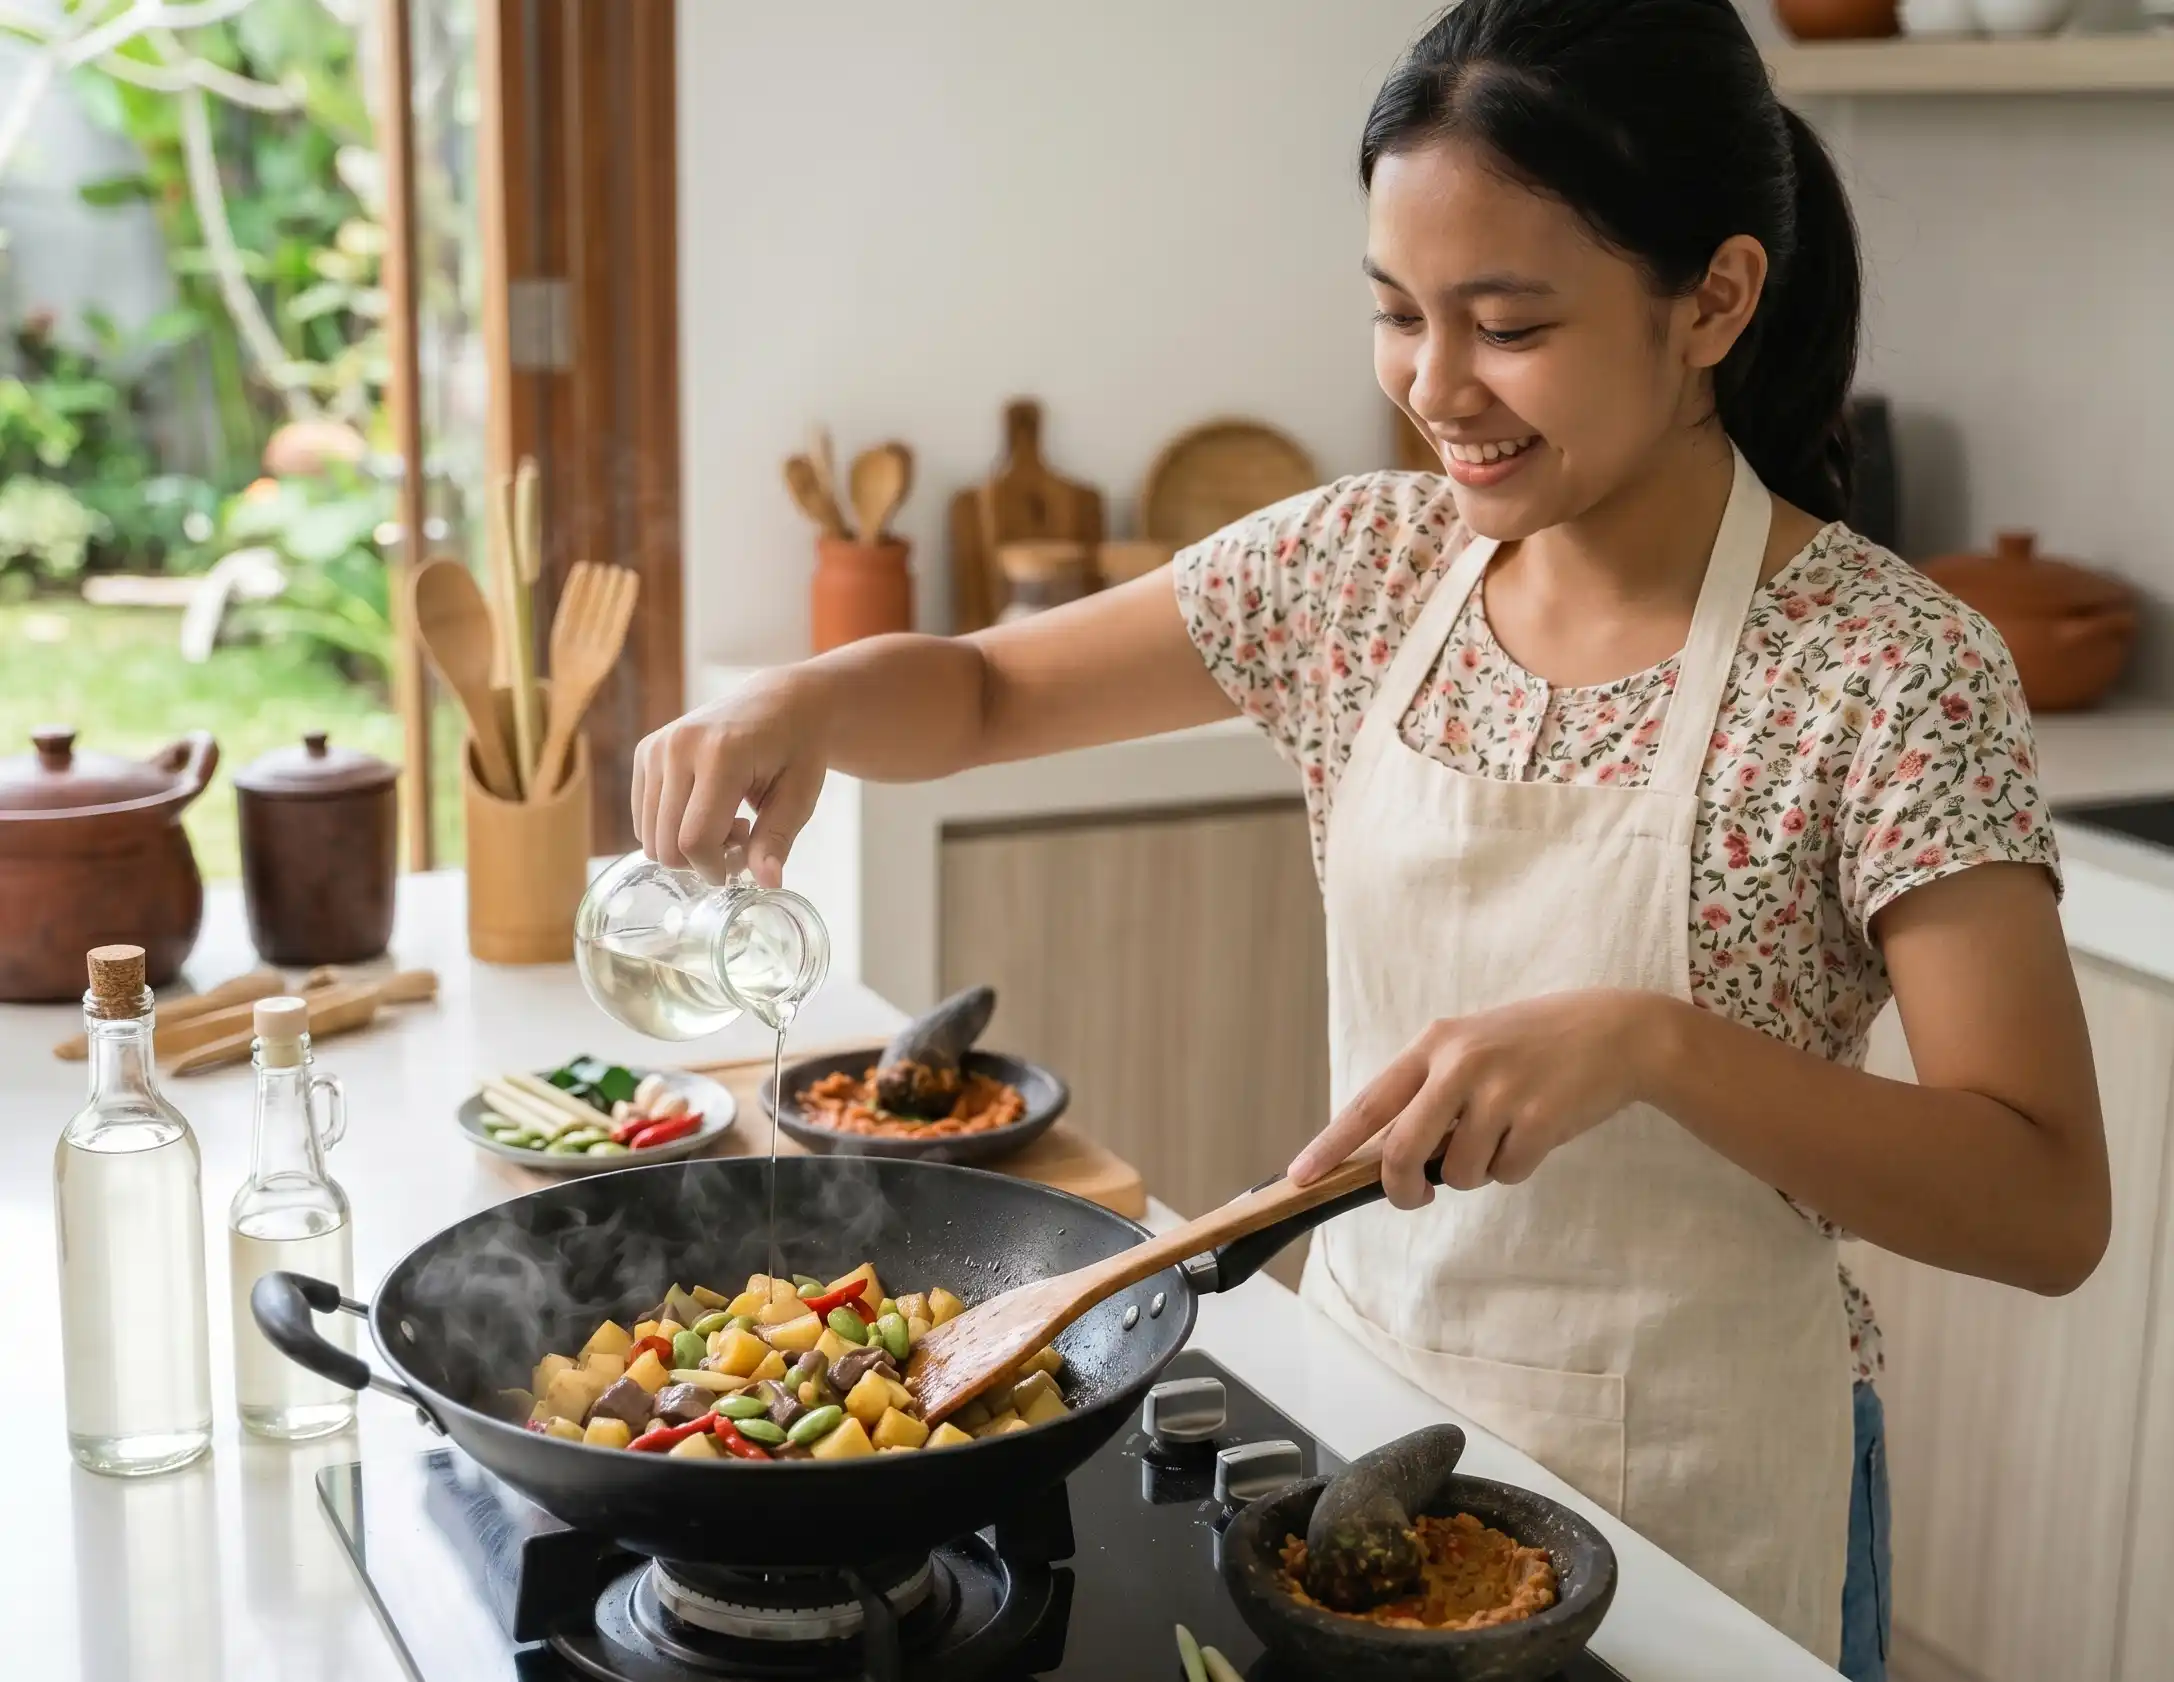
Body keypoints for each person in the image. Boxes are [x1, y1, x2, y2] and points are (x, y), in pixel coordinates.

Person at [630, 3, 2108, 1673]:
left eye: (1508, 324)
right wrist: (803, 701)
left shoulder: (1887, 671)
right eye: (1397, 314)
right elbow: (974, 694)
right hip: (1350, 1438)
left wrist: (1649, 1045)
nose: (1433, 385)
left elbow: (2043, 1200)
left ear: (1713, 297)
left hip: (1704, 1504)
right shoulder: (1355, 574)